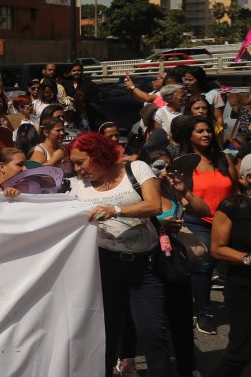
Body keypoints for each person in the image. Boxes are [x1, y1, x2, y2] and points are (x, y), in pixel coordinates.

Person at [67, 132, 171, 377]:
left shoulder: (137, 168)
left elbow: (154, 205)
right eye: (74, 164)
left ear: (99, 155)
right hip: (105, 268)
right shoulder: (77, 187)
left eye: (81, 162)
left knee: (152, 332)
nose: (77, 169)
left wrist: (115, 210)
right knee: (106, 333)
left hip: (145, 267)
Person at [171, 115, 235, 335]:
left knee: (235, 263)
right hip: (198, 221)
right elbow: (180, 197)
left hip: (227, 220)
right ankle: (203, 314)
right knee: (204, 265)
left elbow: (235, 190)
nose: (206, 134)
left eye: (208, 130)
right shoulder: (183, 163)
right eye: (200, 131)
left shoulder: (223, 159)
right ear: (189, 135)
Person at [211, 155, 251, 377]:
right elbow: (217, 249)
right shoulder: (233, 205)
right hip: (244, 287)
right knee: (241, 350)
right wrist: (248, 258)